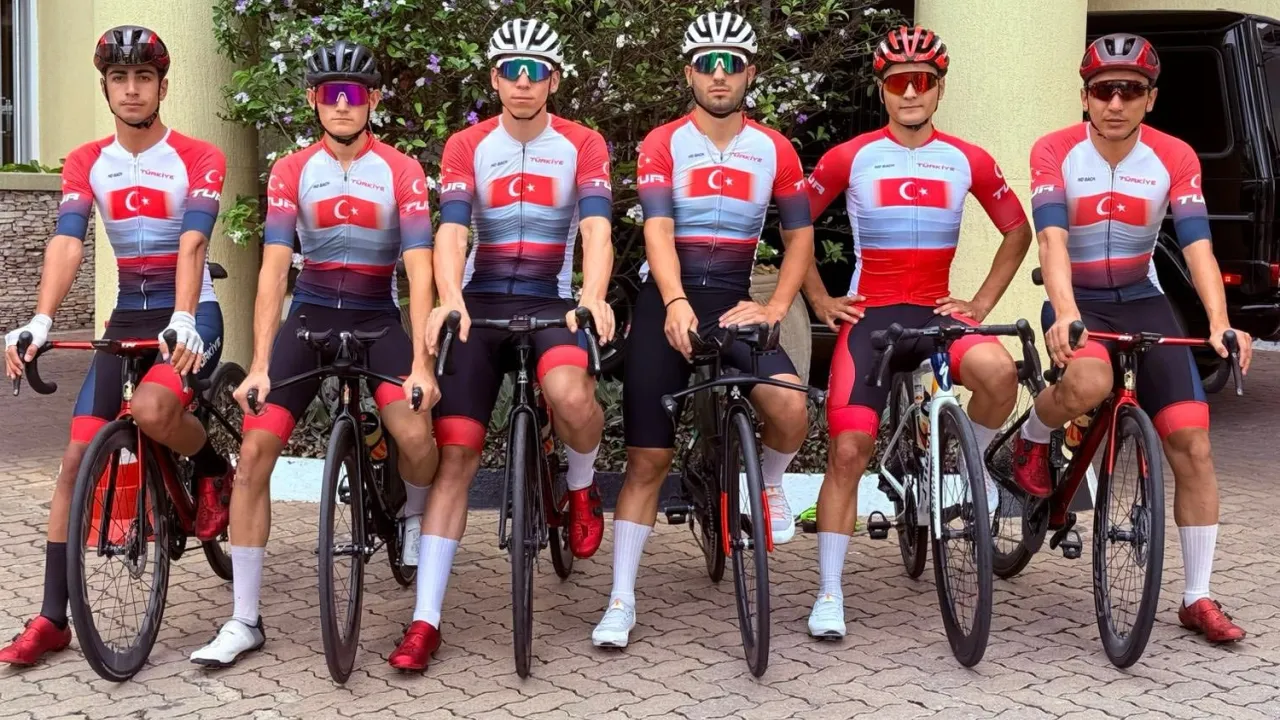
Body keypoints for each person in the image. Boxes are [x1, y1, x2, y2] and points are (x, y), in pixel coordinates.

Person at [188, 40, 440, 667]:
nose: (342, 104)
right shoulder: (291, 171)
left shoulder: (402, 170)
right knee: (253, 455)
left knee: (416, 434)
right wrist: (261, 364)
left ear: (373, 100)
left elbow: (419, 269)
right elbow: (274, 270)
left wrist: (422, 364)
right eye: (331, 94)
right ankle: (244, 620)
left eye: (354, 94)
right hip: (310, 317)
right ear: (313, 100)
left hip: (377, 317)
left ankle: (413, 513)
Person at [0, 26, 231, 667]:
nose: (132, 90)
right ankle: (52, 619)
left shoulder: (198, 156)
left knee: (154, 411)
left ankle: (213, 468)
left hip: (191, 312)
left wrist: (184, 315)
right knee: (76, 459)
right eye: (119, 78)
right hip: (129, 309)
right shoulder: (86, 161)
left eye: (143, 78)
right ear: (105, 87)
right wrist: (41, 319)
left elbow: (192, 241)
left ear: (162, 86)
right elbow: (68, 240)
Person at [391, 18, 615, 672]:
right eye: (511, 72)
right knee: (456, 457)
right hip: (480, 303)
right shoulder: (468, 145)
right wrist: (450, 297)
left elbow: (596, 230)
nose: (523, 83)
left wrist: (593, 296)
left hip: (550, 300)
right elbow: (452, 231)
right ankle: (424, 622)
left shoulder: (582, 143)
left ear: (552, 80)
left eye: (535, 72)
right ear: (494, 78)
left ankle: (580, 485)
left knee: (571, 397)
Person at [1016, 33, 1253, 644]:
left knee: (1193, 444)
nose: (1116, 103)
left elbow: (1198, 246)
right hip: (1080, 296)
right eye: (1103, 90)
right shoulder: (1055, 150)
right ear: (1085, 98)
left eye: (1130, 90)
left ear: (1151, 98)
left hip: (1143, 299)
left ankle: (1197, 597)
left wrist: (1219, 323)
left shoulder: (1174, 156)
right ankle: (1033, 436)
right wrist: (1066, 313)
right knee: (1089, 381)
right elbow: (1052, 241)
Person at [589, 10, 814, 650]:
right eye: (707, 64)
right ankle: (621, 599)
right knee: (646, 460)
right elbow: (658, 229)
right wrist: (675, 300)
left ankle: (768, 483)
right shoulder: (664, 142)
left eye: (731, 64)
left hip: (735, 301)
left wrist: (774, 309)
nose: (720, 75)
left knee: (791, 409)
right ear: (689, 73)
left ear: (750, 74)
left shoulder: (776, 148)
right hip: (667, 300)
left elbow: (799, 236)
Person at [801, 25, 1032, 639]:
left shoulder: (967, 158)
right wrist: (819, 297)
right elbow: (796, 219)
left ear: (938, 89)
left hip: (936, 311)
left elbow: (1018, 231)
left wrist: (980, 303)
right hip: (871, 316)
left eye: (922, 81)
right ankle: (829, 591)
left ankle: (965, 467)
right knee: (848, 450)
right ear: (882, 90)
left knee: (1000, 374)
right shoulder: (850, 156)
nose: (910, 92)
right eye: (899, 82)